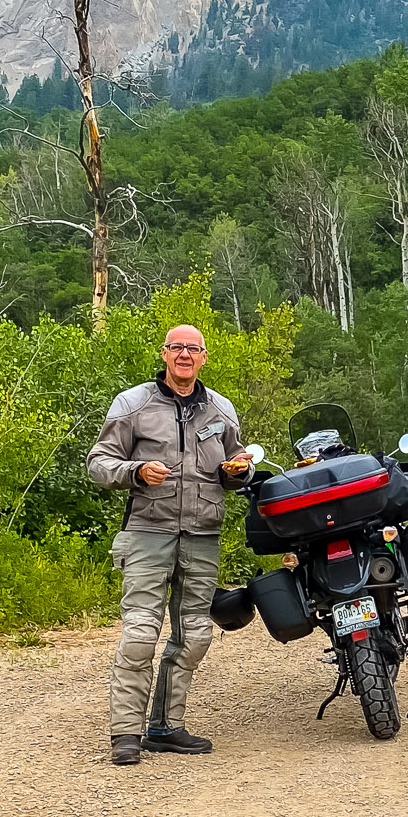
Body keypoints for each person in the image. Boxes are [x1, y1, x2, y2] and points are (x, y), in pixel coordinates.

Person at [87, 325, 251, 765]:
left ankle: (165, 727)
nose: (184, 355)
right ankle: (125, 733)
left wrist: (238, 474)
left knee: (195, 636)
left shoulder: (221, 409)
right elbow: (99, 464)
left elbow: (237, 469)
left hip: (202, 536)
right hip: (147, 532)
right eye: (176, 347)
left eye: (192, 349)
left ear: (204, 357)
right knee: (141, 633)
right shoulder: (133, 403)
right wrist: (137, 471)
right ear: (164, 354)